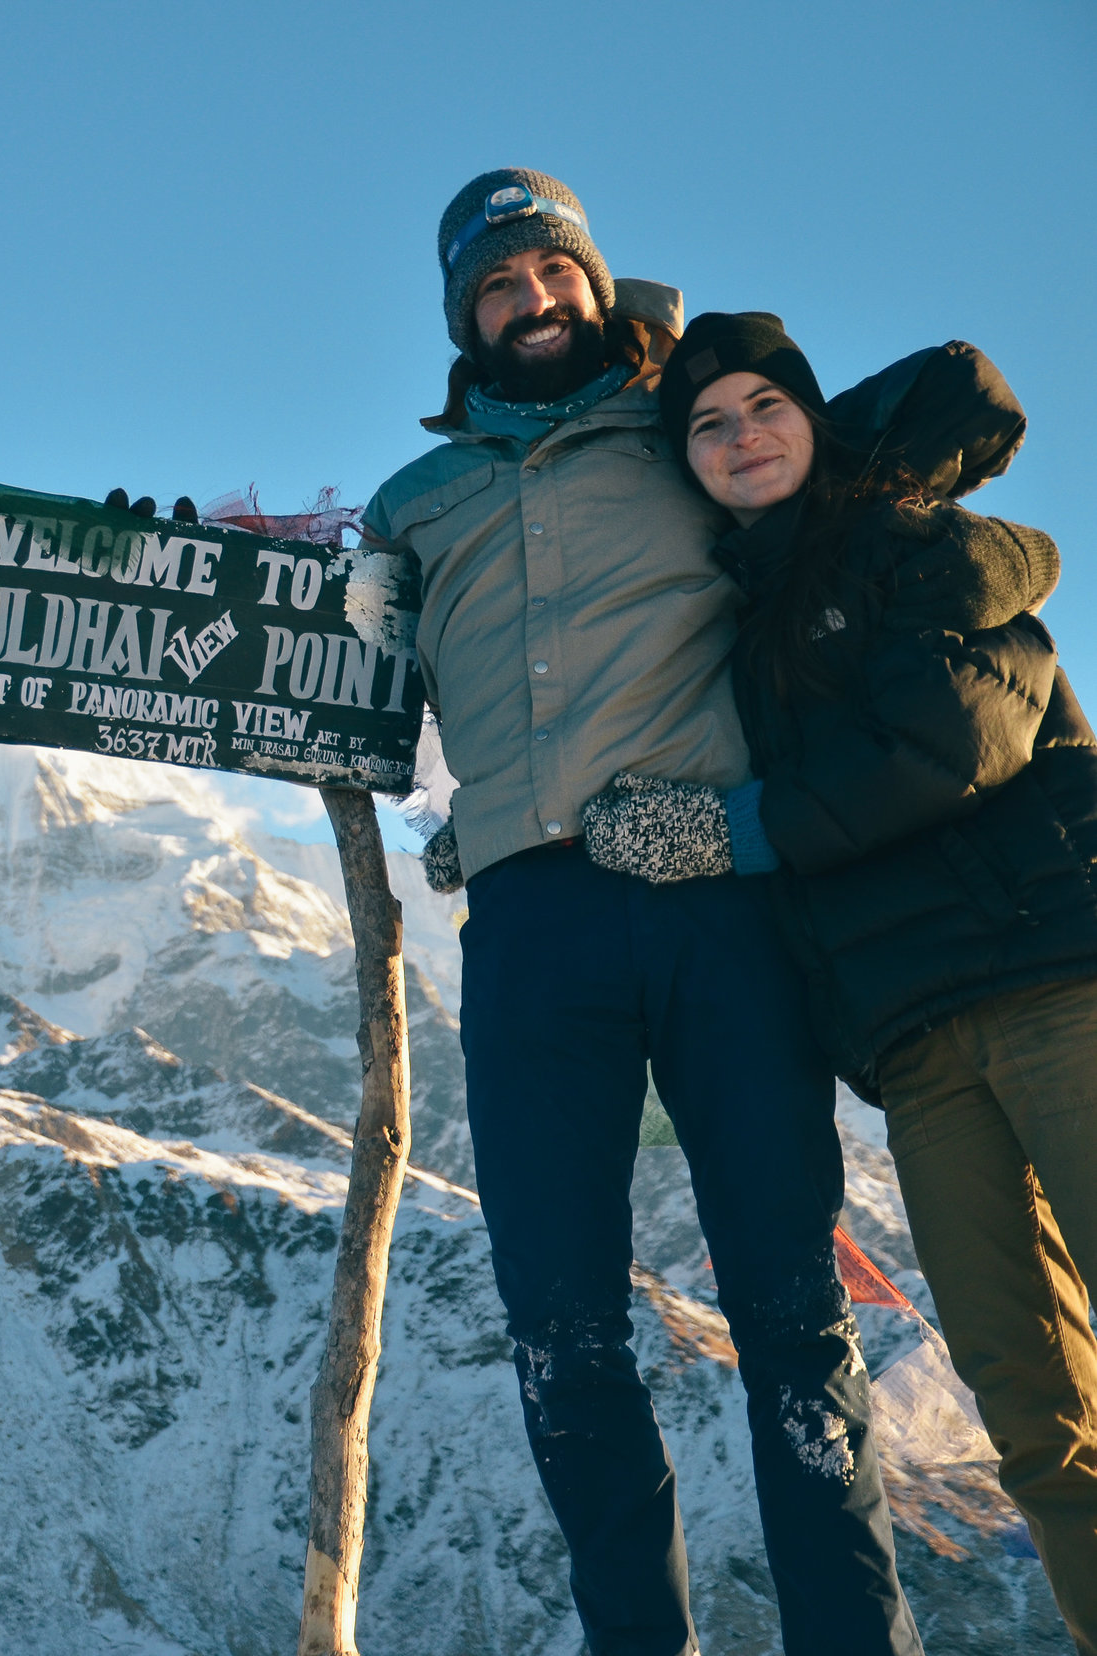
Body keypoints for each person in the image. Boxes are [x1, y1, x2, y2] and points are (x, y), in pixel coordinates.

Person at [367, 169, 922, 1655]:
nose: (530, 300)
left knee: (790, 1307)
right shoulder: (412, 506)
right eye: (497, 284)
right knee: (560, 1325)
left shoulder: (691, 428)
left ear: (595, 282)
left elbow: (861, 462)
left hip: (716, 907)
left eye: (552, 270)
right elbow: (340, 673)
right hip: (531, 934)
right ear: (464, 319)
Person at [583, 309, 1097, 1651]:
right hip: (918, 1050)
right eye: (709, 424)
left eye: (766, 406)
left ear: (814, 419)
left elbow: (956, 740)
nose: (742, 436)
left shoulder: (906, 544)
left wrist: (736, 832)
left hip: (1057, 979)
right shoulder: (737, 622)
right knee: (1033, 1410)